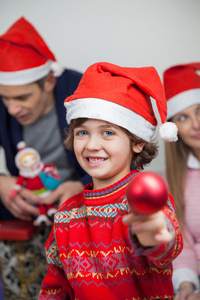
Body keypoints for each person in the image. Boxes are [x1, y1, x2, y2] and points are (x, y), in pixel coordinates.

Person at [39, 62, 183, 299]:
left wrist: (153, 235)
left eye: (108, 132)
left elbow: (166, 247)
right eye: (82, 132)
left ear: (137, 142)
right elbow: (55, 288)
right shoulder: (66, 214)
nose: (92, 145)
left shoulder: (146, 200)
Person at [0, 17, 91, 299]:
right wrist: (1, 182)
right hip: (26, 204)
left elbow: (123, 156)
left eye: (23, 98)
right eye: (5, 98)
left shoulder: (83, 92)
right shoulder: (6, 101)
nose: (13, 108)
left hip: (82, 200)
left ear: (49, 81)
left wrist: (84, 187)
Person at [163, 62, 200, 299]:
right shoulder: (173, 181)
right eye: (184, 117)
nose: (196, 125)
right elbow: (183, 242)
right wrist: (187, 285)